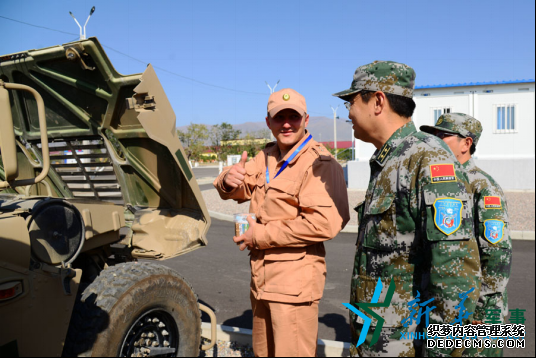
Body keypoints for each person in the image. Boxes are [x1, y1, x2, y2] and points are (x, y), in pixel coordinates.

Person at [333, 61, 481, 357]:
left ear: (377, 101)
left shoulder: (427, 158)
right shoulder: (390, 159)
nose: (347, 112)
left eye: (351, 101)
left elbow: (455, 272)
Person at [213, 88, 350, 357]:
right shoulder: (266, 157)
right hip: (261, 282)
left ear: (306, 120)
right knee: (263, 352)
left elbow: (324, 223)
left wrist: (259, 235)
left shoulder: (319, 163)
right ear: (268, 122)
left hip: (294, 287)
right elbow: (241, 186)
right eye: (279, 117)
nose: (286, 123)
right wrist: (227, 178)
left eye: (293, 117)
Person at [421, 113, 512, 357]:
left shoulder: (483, 185)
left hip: (477, 313)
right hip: (443, 307)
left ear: (466, 143)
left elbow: (496, 253)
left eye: (443, 135)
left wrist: (482, 311)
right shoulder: (435, 180)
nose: (436, 141)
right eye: (434, 135)